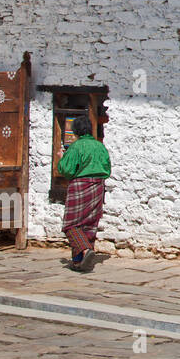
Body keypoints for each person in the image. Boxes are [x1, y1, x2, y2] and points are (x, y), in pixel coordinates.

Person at [58, 116, 111, 273]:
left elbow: (67, 170)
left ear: (75, 131)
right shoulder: (100, 147)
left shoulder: (76, 147)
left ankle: (86, 250)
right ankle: (78, 262)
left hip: (81, 184)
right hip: (98, 186)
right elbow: (107, 168)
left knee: (71, 224)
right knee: (88, 223)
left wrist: (62, 158)